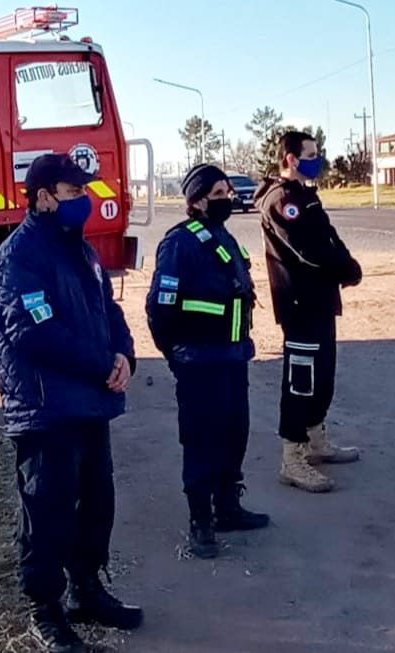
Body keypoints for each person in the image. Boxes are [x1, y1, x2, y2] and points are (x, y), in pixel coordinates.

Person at [0, 153, 144, 653]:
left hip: (91, 404)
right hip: (46, 410)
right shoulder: (17, 259)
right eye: (75, 193)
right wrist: (101, 364)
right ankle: (45, 611)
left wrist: (124, 355)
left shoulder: (82, 251)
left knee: (97, 505)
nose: (86, 200)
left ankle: (87, 590)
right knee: (48, 512)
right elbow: (37, 334)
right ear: (44, 197)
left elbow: (108, 308)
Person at [146, 163, 270, 559]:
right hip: (198, 362)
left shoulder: (223, 236)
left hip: (234, 357)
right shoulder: (179, 243)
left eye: (228, 192)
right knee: (202, 441)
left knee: (236, 434)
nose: (227, 199)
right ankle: (201, 520)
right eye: (218, 194)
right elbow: (159, 307)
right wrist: (174, 354)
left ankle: (228, 507)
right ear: (196, 200)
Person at [254, 131, 363, 493]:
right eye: (311, 154)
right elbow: (306, 251)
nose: (318, 158)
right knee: (301, 382)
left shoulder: (306, 196)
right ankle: (292, 457)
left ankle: (316, 441)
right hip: (300, 303)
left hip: (320, 301)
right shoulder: (282, 201)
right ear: (290, 158)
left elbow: (328, 238)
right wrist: (341, 269)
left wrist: (348, 264)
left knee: (323, 375)